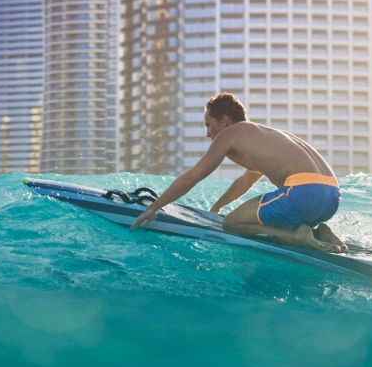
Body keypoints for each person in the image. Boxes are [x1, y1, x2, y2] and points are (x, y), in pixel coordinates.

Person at [130, 92, 347, 253]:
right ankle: (319, 231)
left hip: (302, 194)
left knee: (231, 224)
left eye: (209, 125)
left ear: (223, 121)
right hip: (331, 198)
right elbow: (246, 181)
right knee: (275, 210)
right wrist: (216, 207)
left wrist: (154, 207)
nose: (208, 134)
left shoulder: (231, 133)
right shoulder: (264, 136)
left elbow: (192, 176)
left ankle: (296, 236)